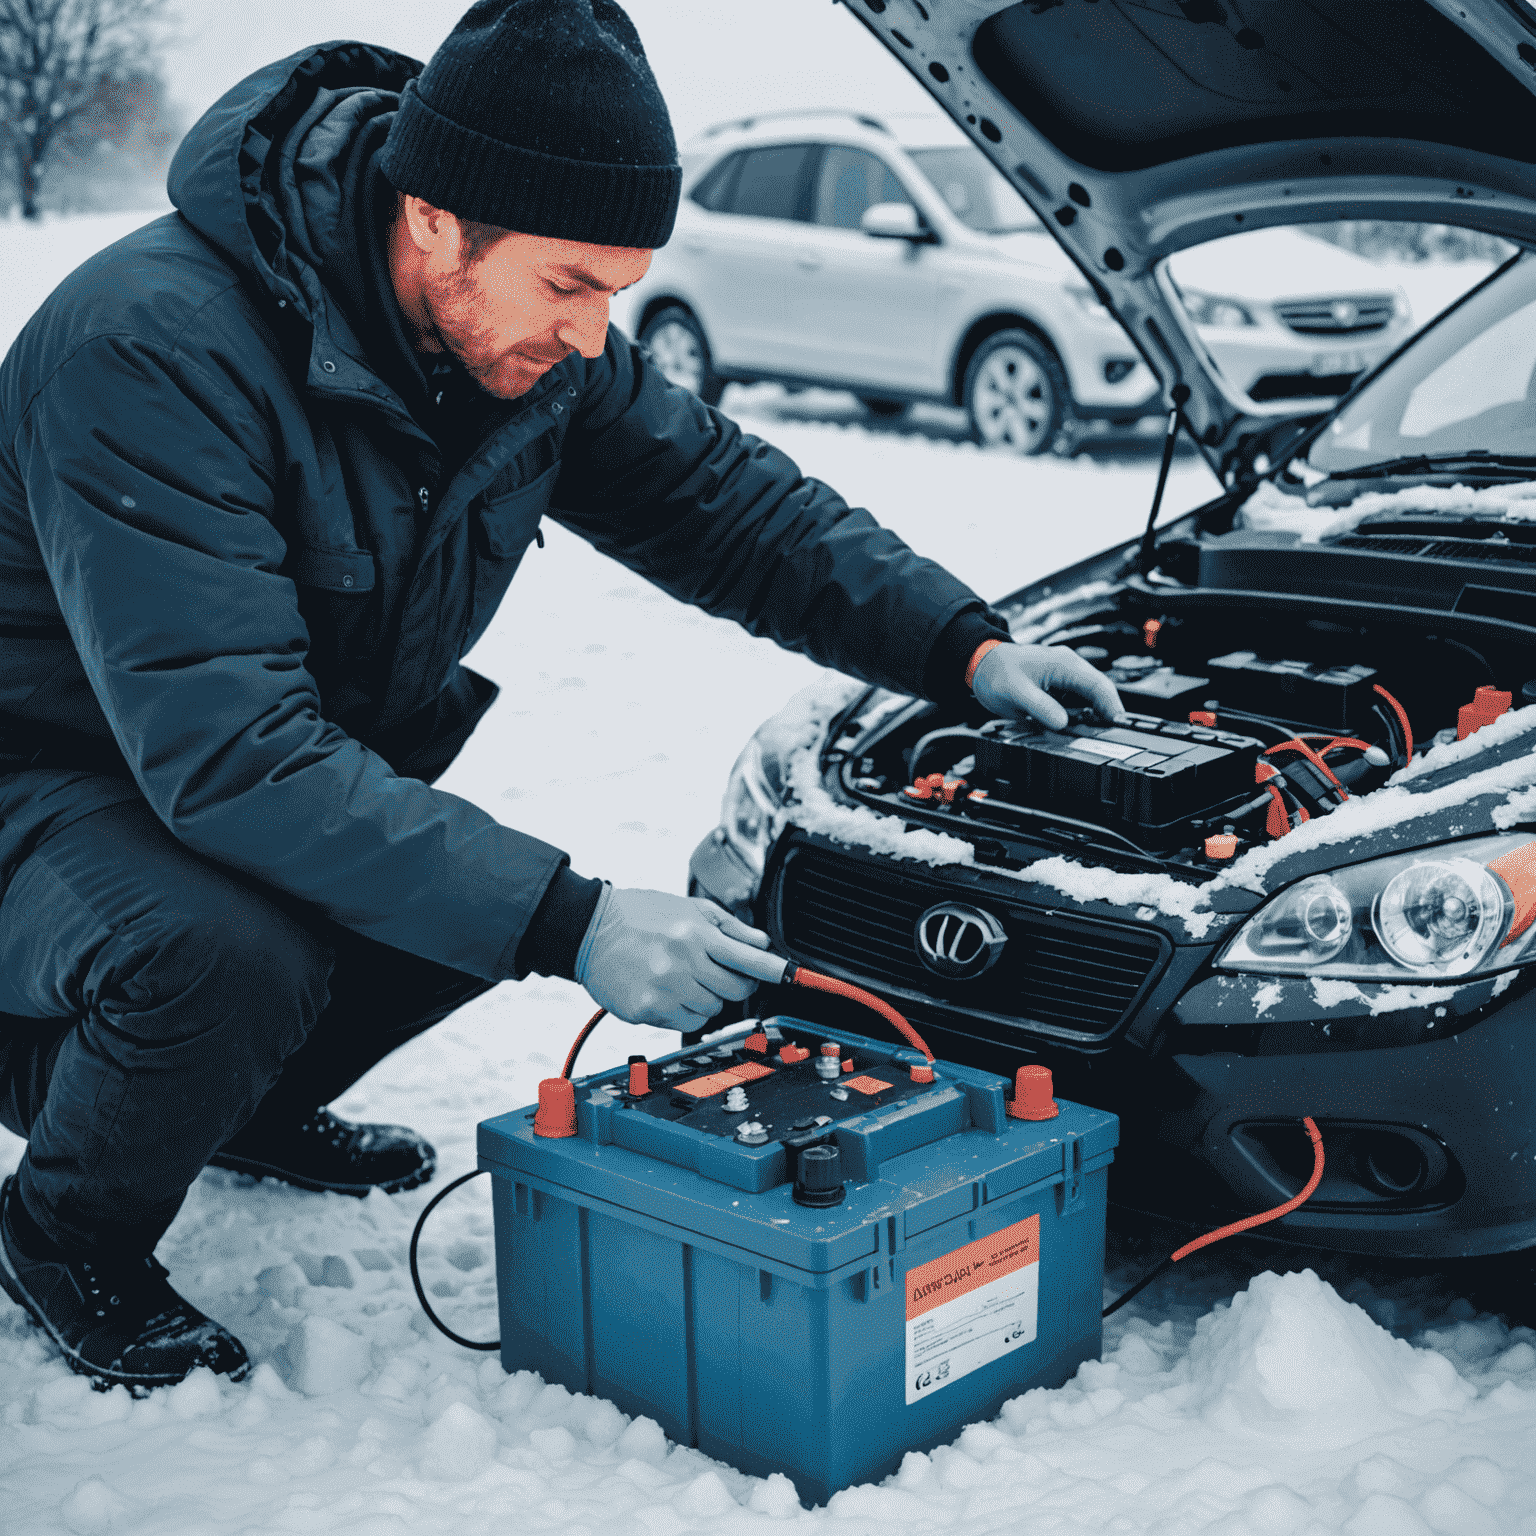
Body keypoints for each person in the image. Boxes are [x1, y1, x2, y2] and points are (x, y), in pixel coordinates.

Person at [0, 0, 1120, 1391]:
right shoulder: (148, 346)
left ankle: (237, 1103)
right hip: (46, 788)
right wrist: (570, 923)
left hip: (228, 767)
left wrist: (961, 646)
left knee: (433, 910)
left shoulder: (514, 340)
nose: (593, 336)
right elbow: (228, 753)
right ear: (431, 222)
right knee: (243, 952)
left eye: (617, 292)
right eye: (572, 286)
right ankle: (65, 1230)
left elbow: (726, 505)